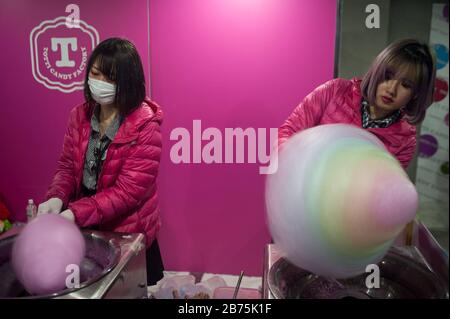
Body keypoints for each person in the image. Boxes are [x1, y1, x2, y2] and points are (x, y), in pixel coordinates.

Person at [37, 38, 164, 286]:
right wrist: (56, 198)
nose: (100, 83)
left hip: (125, 233)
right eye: (95, 74)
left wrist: (74, 213)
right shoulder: (79, 115)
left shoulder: (146, 127)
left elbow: (127, 193)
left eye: (110, 78)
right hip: (86, 230)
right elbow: (66, 167)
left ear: (128, 82)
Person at [278, 38, 436, 169]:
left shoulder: (405, 141)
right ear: (377, 71)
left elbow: (383, 196)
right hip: (302, 196)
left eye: (406, 85)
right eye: (387, 76)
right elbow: (287, 133)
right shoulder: (334, 91)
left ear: (415, 94)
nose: (391, 89)